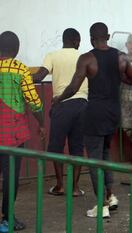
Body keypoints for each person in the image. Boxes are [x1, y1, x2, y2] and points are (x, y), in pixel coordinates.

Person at [53, 22, 132, 218]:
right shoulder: (121, 57)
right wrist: (118, 79)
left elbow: (74, 87)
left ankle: (101, 206)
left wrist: (58, 99)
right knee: (105, 154)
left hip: (94, 114)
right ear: (108, 36)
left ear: (91, 38)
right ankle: (110, 196)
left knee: (94, 160)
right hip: (113, 114)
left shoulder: (87, 59)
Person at [33, 28, 87, 197]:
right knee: (77, 147)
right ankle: (76, 188)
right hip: (82, 105)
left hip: (61, 105)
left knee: (56, 147)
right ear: (76, 41)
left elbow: (39, 77)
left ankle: (60, 186)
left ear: (63, 40)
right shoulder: (84, 56)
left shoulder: (52, 55)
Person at [0, 31, 45, 231]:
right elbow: (33, 101)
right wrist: (42, 122)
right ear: (16, 50)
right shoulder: (21, 70)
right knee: (11, 177)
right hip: (13, 134)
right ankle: (7, 219)